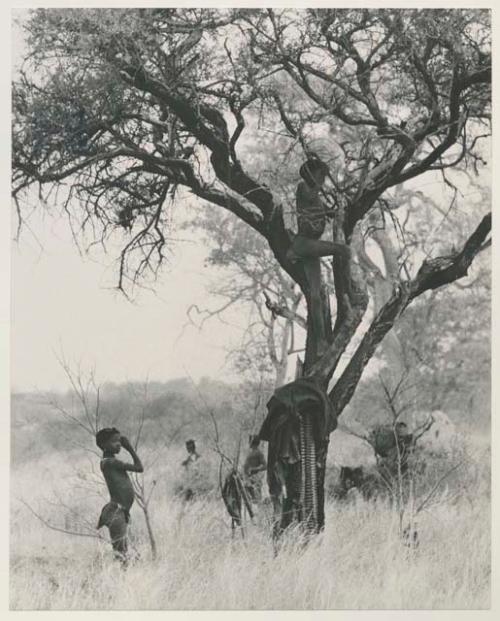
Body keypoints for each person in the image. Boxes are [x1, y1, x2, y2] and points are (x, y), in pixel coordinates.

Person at [95, 427, 143, 562]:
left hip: (120, 511)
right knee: (121, 554)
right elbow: (139, 468)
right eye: (114, 441)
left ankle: (121, 578)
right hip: (116, 511)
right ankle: (119, 580)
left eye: (119, 441)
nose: (119, 444)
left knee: (121, 552)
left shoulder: (110, 462)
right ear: (104, 445)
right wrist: (130, 448)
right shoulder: (110, 462)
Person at [243, 435, 267, 505]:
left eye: (250, 441)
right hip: (248, 478)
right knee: (248, 496)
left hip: (256, 478)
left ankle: (259, 511)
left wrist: (254, 469)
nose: (249, 443)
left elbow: (265, 466)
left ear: (253, 442)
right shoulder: (250, 453)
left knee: (257, 496)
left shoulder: (259, 453)